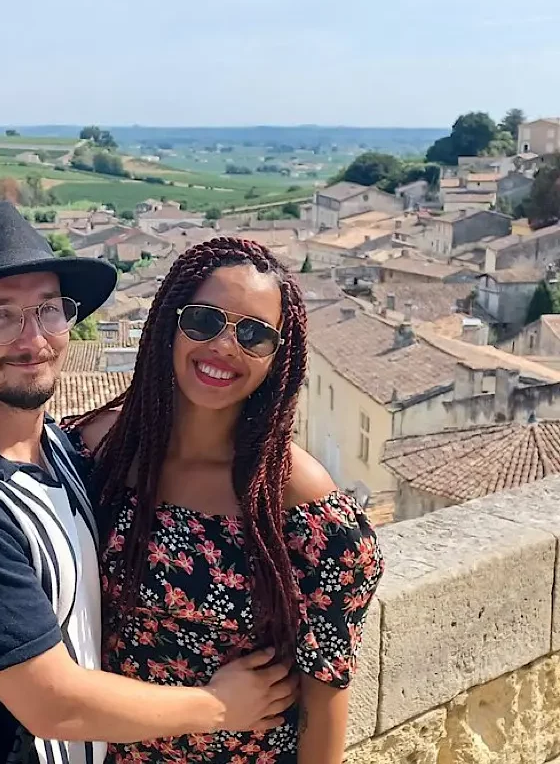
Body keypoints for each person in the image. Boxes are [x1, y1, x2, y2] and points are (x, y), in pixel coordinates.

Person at [0, 203, 297, 764]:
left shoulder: (56, 450)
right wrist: (220, 707)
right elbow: (51, 703)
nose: (34, 339)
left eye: (48, 311)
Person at [66, 237, 385, 764]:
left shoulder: (302, 509)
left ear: (278, 358)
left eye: (255, 334)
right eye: (204, 321)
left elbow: (324, 704)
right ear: (170, 323)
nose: (225, 346)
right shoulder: (96, 456)